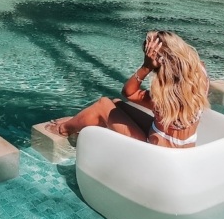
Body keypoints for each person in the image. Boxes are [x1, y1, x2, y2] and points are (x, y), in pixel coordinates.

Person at [48, 31, 210, 148]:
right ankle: (78, 121)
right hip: (181, 148)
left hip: (154, 153)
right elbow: (124, 99)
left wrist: (145, 67)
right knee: (117, 104)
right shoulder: (200, 73)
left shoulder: (163, 97)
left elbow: (129, 93)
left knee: (104, 104)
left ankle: (63, 129)